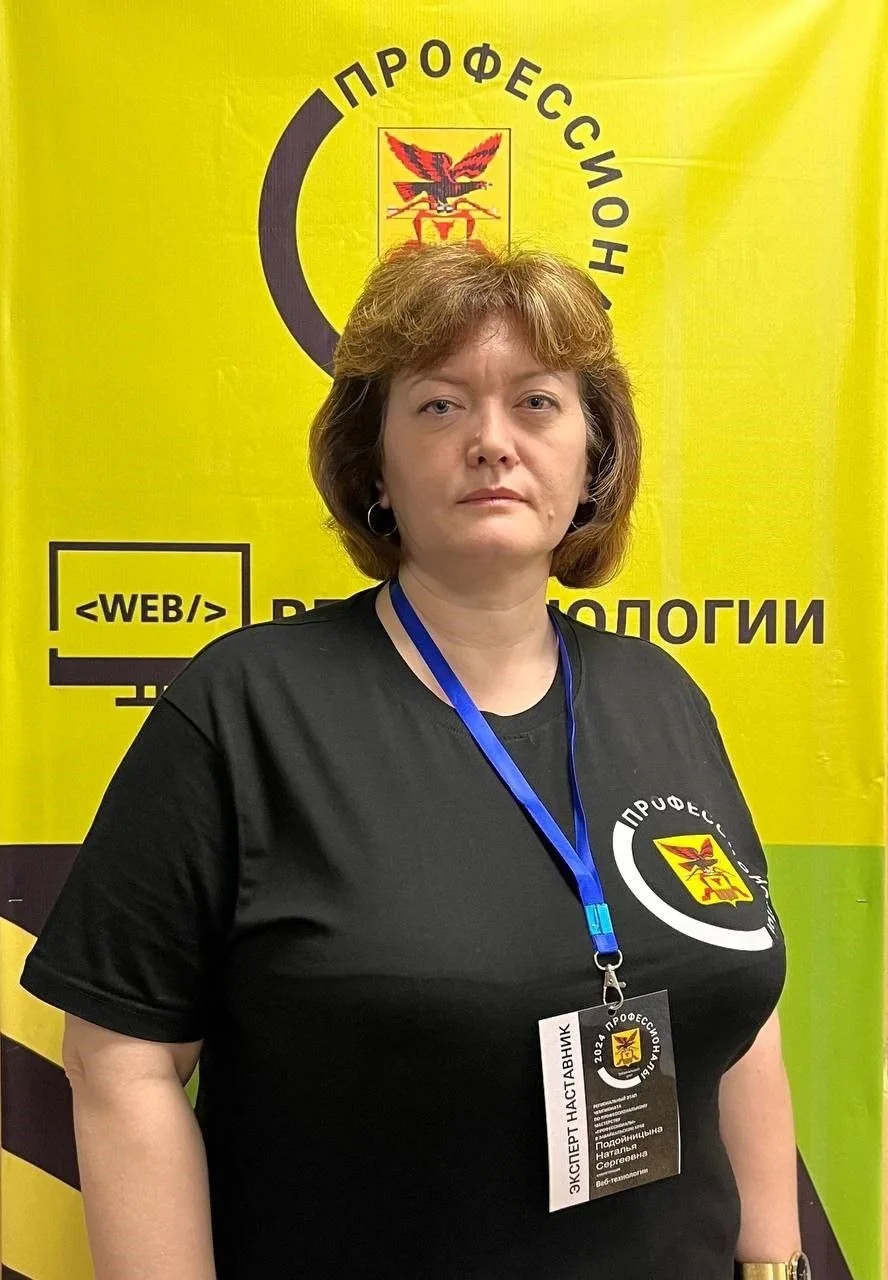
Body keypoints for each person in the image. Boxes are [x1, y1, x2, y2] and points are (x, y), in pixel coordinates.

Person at [20, 240, 806, 1279]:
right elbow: (120, 1061)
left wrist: (773, 1262)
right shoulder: (247, 707)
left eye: (537, 403)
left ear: (592, 460)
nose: (492, 443)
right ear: (375, 469)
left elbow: (739, 1008)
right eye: (440, 405)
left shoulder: (662, 696)